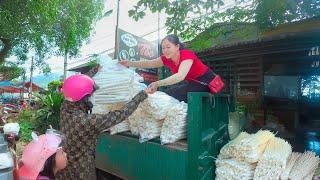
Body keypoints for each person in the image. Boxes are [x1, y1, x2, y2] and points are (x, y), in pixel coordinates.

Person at [55, 65, 148, 180]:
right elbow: (120, 114)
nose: (92, 97)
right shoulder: (89, 121)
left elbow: (76, 86)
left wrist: (95, 70)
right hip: (82, 173)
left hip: (63, 170)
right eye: (91, 95)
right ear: (84, 98)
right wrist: (142, 94)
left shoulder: (65, 108)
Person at [120, 34, 220, 102]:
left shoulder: (187, 55)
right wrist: (129, 63)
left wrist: (157, 83)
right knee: (169, 93)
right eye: (163, 48)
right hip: (194, 84)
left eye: (168, 47)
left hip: (207, 82)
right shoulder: (167, 58)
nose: (165, 50)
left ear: (177, 46)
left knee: (173, 94)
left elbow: (180, 76)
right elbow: (149, 63)